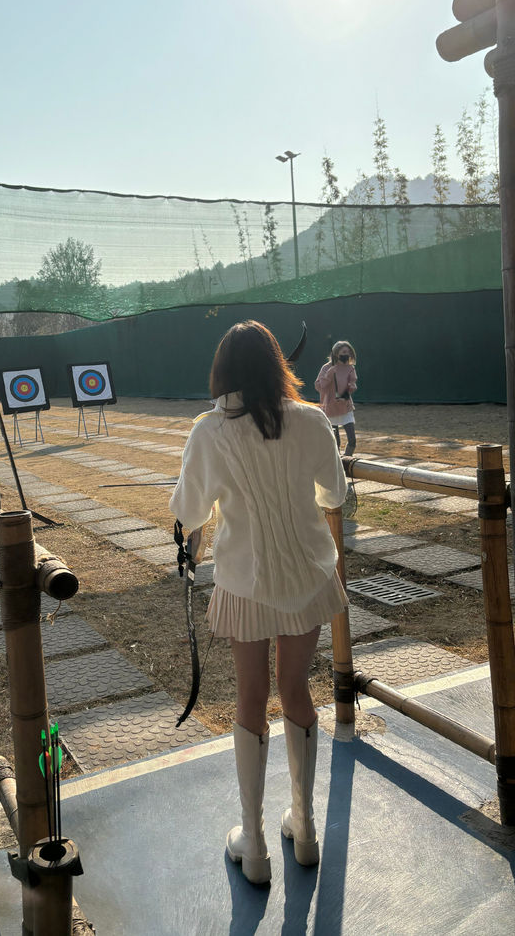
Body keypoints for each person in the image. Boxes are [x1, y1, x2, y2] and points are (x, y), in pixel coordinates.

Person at [169, 321, 347, 884]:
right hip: (308, 579)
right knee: (295, 692)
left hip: (245, 584)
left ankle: (256, 845)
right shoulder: (313, 420)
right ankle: (306, 829)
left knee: (251, 699)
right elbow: (334, 494)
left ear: (223, 373)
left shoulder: (209, 431)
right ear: (277, 368)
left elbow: (188, 512)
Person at [314, 340, 358, 456]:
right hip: (330, 408)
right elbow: (319, 386)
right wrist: (329, 375)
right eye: (344, 351)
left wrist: (349, 390)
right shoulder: (326, 368)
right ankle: (338, 467)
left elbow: (352, 384)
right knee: (335, 443)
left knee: (352, 441)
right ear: (336, 353)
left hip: (345, 407)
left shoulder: (350, 368)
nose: (346, 354)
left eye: (348, 352)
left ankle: (346, 462)